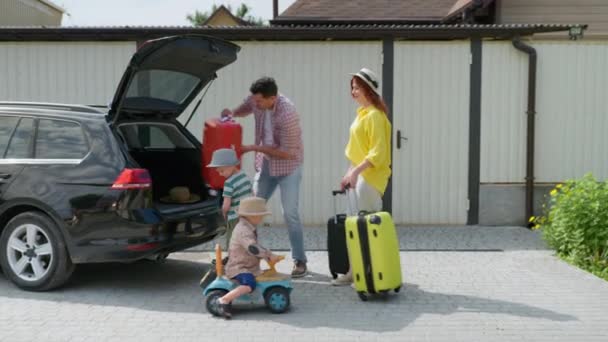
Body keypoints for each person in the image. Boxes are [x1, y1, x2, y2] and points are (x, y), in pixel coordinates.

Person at [222, 77, 308, 278]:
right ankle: (242, 256)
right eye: (255, 101)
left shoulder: (288, 114)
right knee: (247, 209)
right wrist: (233, 113)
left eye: (259, 102)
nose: (256, 105)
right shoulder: (256, 100)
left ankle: (300, 260)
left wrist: (253, 148)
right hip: (267, 164)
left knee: (290, 213)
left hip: (288, 167)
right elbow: (246, 106)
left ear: (272, 98)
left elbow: (287, 153)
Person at [332, 67, 392, 286]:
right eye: (352, 88)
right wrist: (349, 172)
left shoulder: (376, 116)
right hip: (359, 177)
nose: (353, 92)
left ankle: (362, 273)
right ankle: (355, 271)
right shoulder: (363, 114)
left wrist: (356, 172)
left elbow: (378, 153)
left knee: (361, 227)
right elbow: (356, 151)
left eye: (357, 88)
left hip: (370, 180)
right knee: (355, 226)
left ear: (368, 89)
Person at [210, 196, 283, 319]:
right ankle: (224, 300)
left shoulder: (248, 226)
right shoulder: (243, 230)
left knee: (259, 275)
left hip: (248, 265)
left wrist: (267, 256)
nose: (262, 218)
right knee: (249, 283)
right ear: (253, 216)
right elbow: (253, 248)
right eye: (261, 215)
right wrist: (268, 255)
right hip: (239, 267)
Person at [206, 148, 253, 264]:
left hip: (234, 217)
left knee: (232, 239)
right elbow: (252, 193)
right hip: (247, 215)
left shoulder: (229, 183)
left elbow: (226, 203)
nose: (220, 174)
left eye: (222, 171)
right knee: (245, 237)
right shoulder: (244, 176)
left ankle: (233, 259)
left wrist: (223, 213)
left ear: (230, 166)